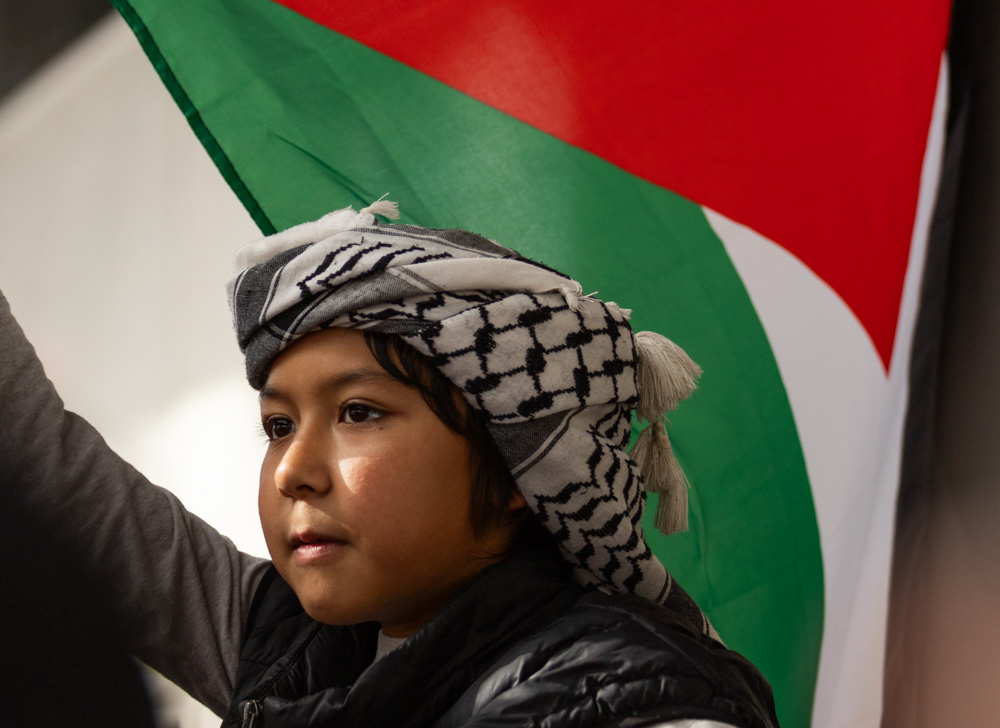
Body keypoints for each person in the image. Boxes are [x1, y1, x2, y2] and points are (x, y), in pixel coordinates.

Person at [0, 200, 779, 727]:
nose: (293, 471)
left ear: (516, 462)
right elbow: (44, 467)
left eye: (358, 413)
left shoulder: (637, 700)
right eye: (277, 425)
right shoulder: (287, 650)